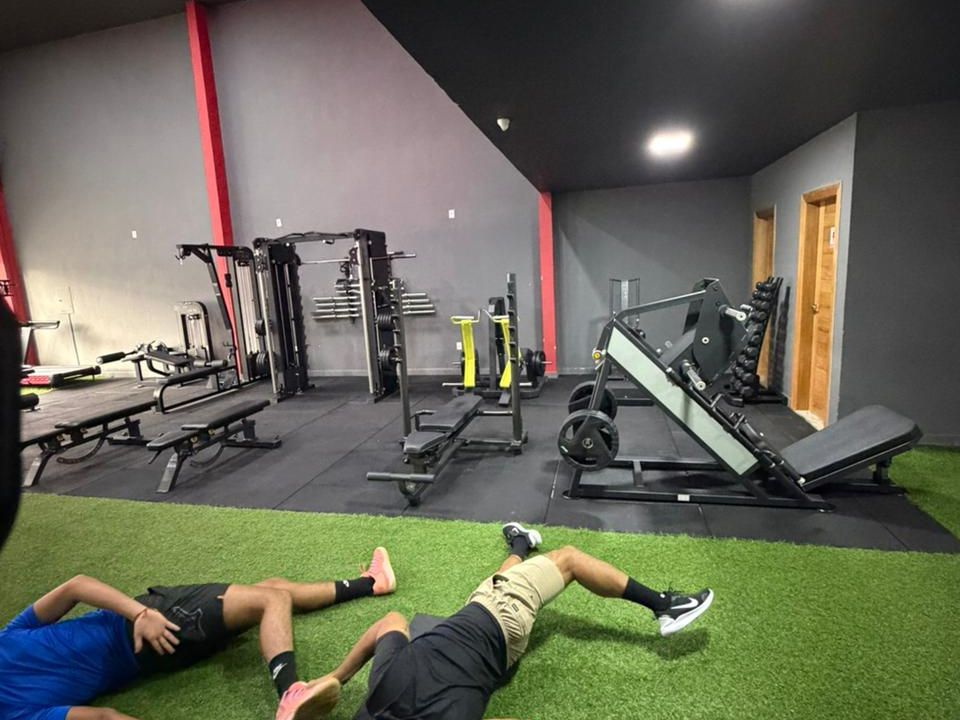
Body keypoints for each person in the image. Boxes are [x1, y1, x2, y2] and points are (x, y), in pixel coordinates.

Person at [318, 523, 713, 719]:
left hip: (495, 643)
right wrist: (337, 677)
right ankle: (665, 607)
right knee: (569, 559)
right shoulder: (384, 680)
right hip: (501, 616)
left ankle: (520, 542)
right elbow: (389, 619)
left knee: (499, 580)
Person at [0, 547, 397, 720]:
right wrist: (141, 613)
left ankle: (370, 583)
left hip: (155, 650)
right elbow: (76, 585)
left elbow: (75, 588)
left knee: (266, 589)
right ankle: (290, 693)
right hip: (158, 622)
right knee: (272, 600)